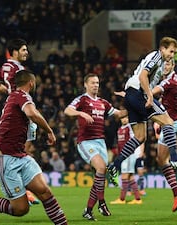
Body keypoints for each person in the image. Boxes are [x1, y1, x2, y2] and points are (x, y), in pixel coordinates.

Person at [108, 37, 177, 212]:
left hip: (132, 94)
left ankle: (114, 166)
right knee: (168, 121)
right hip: (139, 93)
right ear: (162, 48)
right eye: (170, 51)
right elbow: (142, 75)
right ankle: (175, 159)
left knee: (140, 137)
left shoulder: (162, 64)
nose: (172, 55)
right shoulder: (156, 56)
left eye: (174, 53)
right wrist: (149, 95)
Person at [0, 70, 68, 224]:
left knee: (45, 192)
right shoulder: (22, 96)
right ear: (31, 83)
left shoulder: (12, 99)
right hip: (6, 159)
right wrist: (49, 131)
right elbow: (32, 113)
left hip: (21, 156)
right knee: (21, 209)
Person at [64, 73, 126, 221]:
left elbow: (119, 113)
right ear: (86, 84)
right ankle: (102, 203)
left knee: (99, 176)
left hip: (100, 143)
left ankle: (88, 210)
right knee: (100, 168)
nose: (96, 85)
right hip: (86, 141)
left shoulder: (103, 102)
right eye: (92, 82)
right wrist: (81, 113)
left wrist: (136, 107)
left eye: (97, 82)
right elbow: (67, 110)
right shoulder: (82, 99)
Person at [0, 38, 39, 205]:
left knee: (12, 151)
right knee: (23, 150)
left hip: (9, 109)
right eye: (23, 50)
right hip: (19, 112)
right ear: (14, 51)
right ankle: (24, 190)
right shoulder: (19, 69)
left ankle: (23, 189)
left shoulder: (5, 67)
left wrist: (8, 91)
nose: (26, 52)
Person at [151, 59, 177, 211]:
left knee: (162, 158)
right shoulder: (175, 79)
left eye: (168, 64)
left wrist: (141, 92)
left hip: (174, 121)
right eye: (163, 64)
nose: (165, 67)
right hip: (173, 116)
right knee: (160, 159)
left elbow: (155, 92)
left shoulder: (169, 81)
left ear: (173, 66)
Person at [110, 116, 143, 205]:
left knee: (124, 176)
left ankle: (122, 199)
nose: (124, 119)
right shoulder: (120, 129)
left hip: (128, 155)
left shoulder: (130, 127)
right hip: (122, 155)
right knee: (130, 177)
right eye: (122, 118)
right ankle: (137, 199)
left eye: (126, 118)